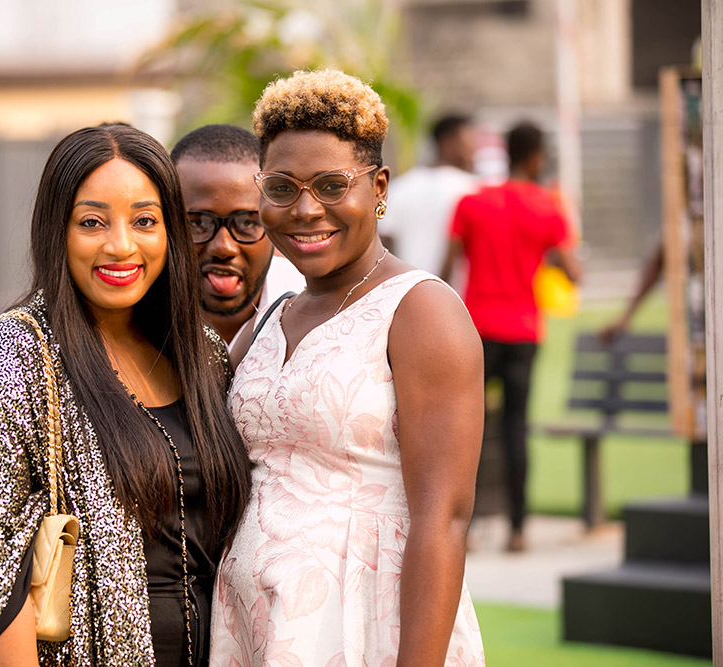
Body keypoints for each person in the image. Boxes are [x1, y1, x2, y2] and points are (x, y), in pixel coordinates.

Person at [0, 123, 251, 666]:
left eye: (144, 221)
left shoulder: (201, 354)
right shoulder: (14, 353)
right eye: (92, 222)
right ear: (58, 230)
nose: (121, 245)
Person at [212, 69, 485, 666]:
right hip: (258, 626)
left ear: (379, 186)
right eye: (281, 188)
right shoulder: (270, 318)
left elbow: (443, 520)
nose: (306, 209)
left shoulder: (420, 310)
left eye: (333, 185)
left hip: (363, 625)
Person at [442, 121, 582, 552]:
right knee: (516, 426)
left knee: (468, 429)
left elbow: (446, 268)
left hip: (477, 330)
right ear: (537, 157)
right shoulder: (547, 206)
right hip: (523, 331)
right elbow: (573, 272)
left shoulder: (472, 202)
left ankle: (464, 528)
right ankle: (518, 530)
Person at [171, 124, 304, 348]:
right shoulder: (134, 317)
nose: (224, 248)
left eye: (246, 223)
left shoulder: (317, 308)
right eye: (198, 223)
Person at [377, 113, 479, 290]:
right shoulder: (475, 190)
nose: (474, 150)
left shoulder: (401, 187)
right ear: (448, 143)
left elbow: (383, 245)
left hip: (408, 292)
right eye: (470, 142)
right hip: (460, 297)